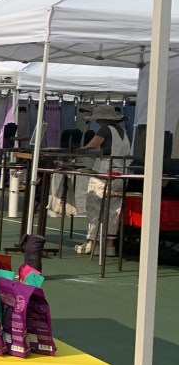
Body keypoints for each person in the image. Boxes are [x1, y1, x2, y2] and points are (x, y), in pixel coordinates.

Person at [76, 104, 131, 255]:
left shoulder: (104, 130)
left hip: (104, 169)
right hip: (121, 171)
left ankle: (91, 242)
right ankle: (110, 245)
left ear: (101, 119)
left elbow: (90, 147)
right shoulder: (123, 132)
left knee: (95, 207)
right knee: (114, 210)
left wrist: (80, 149)